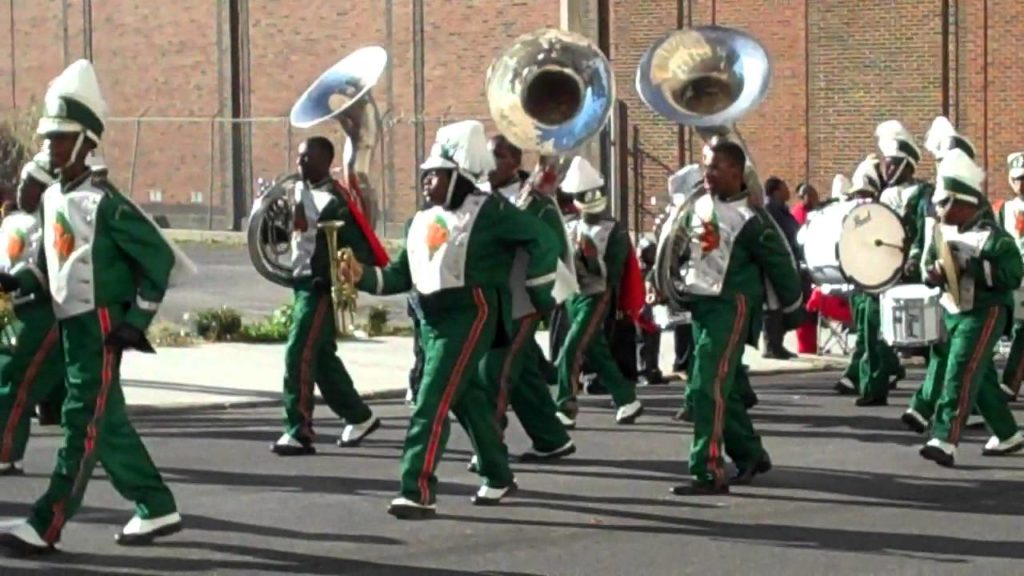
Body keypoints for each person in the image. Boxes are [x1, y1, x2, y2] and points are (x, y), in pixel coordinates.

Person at [0, 60, 194, 553]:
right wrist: (9, 280)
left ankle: (47, 523)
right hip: (70, 326)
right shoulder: (51, 201)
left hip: (101, 325)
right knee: (105, 424)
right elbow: (45, 269)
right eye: (47, 138)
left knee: (81, 423)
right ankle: (156, 504)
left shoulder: (105, 202)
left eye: (61, 138)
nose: (50, 147)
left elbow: (160, 260)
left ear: (88, 142)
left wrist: (136, 321)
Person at [343, 120, 559, 519]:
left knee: (431, 400)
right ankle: (498, 474)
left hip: (470, 312)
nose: (426, 182)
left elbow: (541, 238)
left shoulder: (491, 210)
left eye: (436, 175)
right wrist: (361, 276)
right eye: (425, 176)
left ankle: (417, 488)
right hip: (430, 318)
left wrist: (538, 288)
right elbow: (399, 277)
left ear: (459, 175)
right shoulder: (420, 220)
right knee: (466, 399)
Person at [673, 141, 803, 496]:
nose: (707, 174)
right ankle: (750, 453)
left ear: (735, 171)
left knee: (706, 388)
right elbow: (681, 248)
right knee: (721, 391)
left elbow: (782, 264)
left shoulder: (752, 219)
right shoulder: (697, 205)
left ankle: (708, 470)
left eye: (715, 167)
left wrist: (793, 313)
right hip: (700, 303)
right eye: (705, 167)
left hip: (732, 306)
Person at [270, 136, 388, 456]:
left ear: (325, 160)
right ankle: (359, 417)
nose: (300, 164)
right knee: (321, 360)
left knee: (298, 354)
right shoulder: (298, 190)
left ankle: (298, 430)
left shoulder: (336, 200)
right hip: (302, 282)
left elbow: (358, 248)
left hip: (320, 288)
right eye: (299, 158)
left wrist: (338, 278)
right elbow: (288, 235)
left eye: (307, 158)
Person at [470, 134, 575, 471]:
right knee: (524, 374)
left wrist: (543, 297)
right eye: (487, 157)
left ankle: (490, 446)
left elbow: (554, 249)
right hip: (490, 299)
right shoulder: (479, 198)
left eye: (498, 157)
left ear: (515, 161)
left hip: (521, 301)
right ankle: (552, 439)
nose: (490, 165)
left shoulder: (537, 203)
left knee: (493, 373)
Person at [918, 149, 1024, 466]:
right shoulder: (941, 233)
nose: (938, 209)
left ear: (966, 203)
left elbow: (1013, 274)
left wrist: (975, 268)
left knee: (961, 370)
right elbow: (927, 267)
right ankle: (1007, 433)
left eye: (945, 202)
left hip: (986, 310)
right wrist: (933, 273)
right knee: (981, 377)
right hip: (954, 310)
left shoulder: (995, 239)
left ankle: (945, 437)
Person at [554, 156, 644, 428]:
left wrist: (592, 260)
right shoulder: (569, 226)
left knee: (570, 351)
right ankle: (627, 399)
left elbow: (613, 273)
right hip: (572, 295)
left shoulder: (613, 230)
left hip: (595, 296)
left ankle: (565, 405)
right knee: (596, 351)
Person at [0, 153, 65, 477]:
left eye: (33, 184)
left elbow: (49, 270)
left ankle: (6, 453)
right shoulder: (16, 221)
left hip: (44, 314)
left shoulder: (59, 224)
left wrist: (15, 281)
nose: (23, 189)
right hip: (18, 311)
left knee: (14, 384)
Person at [994, 151, 1024, 399]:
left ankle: (1010, 383)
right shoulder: (1003, 209)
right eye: (1017, 179)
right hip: (1012, 277)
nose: (1021, 184)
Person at [761, 176, 799, 359]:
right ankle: (771, 346)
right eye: (784, 186)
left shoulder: (781, 210)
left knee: (781, 303)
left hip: (785, 260)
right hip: (773, 262)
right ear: (775, 190)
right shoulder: (770, 210)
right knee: (772, 304)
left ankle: (778, 344)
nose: (787, 190)